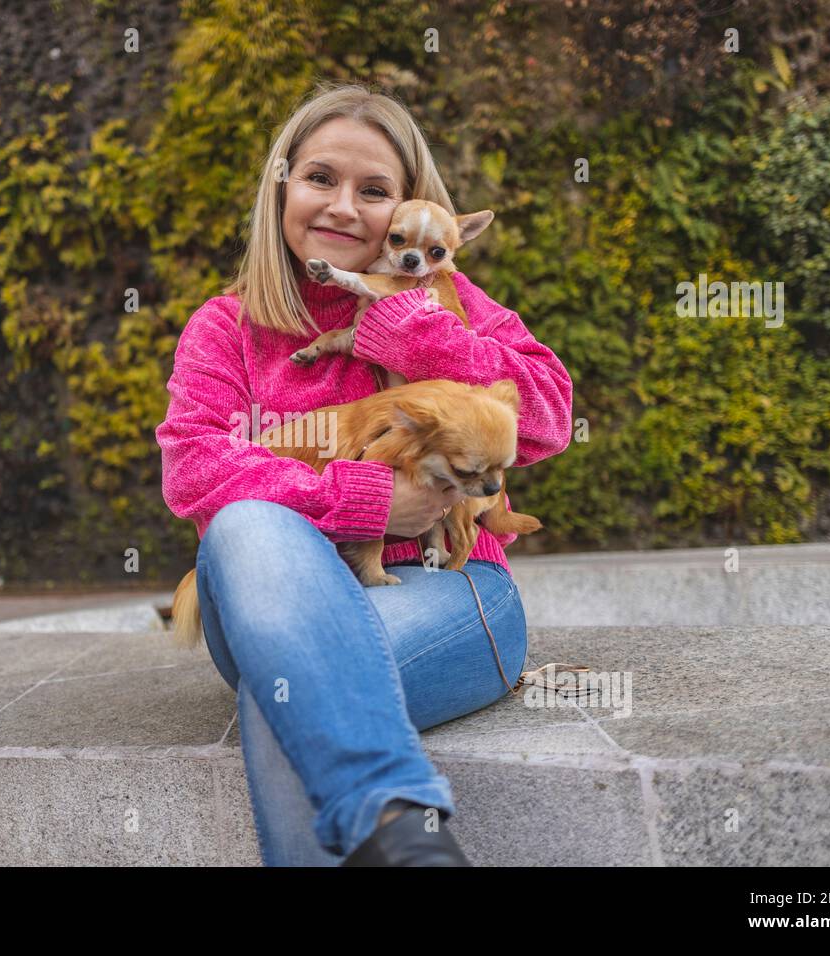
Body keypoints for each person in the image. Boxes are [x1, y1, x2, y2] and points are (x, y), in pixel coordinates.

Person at [154, 82, 574, 866]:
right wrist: (371, 499)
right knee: (245, 521)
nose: (343, 206)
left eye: (374, 190)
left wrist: (401, 323)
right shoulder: (226, 328)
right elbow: (195, 468)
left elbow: (548, 413)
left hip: (452, 592)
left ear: (409, 208)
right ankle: (411, 843)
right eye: (319, 178)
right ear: (282, 187)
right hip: (273, 604)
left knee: (283, 697)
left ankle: (399, 834)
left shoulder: (452, 301)